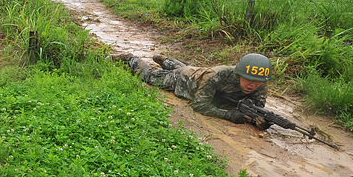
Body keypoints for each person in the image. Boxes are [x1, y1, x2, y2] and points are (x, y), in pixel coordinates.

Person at [112, 52, 272, 126]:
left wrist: (261, 120)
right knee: (150, 77)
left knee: (195, 69)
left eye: (257, 82)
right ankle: (131, 58)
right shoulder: (219, 75)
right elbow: (200, 105)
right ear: (238, 74)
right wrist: (229, 115)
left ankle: (167, 61)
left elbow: (256, 108)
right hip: (184, 80)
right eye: (248, 79)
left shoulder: (260, 83)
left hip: (198, 72)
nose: (253, 85)